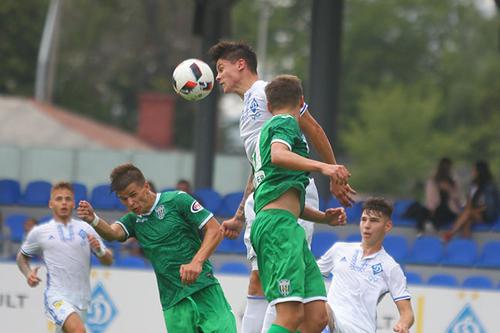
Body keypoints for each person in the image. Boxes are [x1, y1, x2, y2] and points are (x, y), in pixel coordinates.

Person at [208, 40, 355, 333]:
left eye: (221, 68)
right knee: (263, 282)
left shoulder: (266, 92)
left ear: (241, 64)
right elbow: (259, 166)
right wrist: (240, 213)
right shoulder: (247, 111)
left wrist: (333, 173)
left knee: (290, 301)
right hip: (265, 199)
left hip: (291, 196)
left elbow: (312, 128)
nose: (218, 76)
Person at [76, 163, 237, 333]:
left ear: (145, 186)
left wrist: (196, 262)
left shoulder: (177, 200)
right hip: (173, 302)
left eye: (133, 194)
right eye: (123, 198)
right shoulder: (133, 220)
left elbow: (215, 230)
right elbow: (112, 233)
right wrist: (93, 219)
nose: (130, 202)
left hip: (204, 289)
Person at [248, 75, 348, 333]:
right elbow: (279, 155)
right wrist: (324, 166)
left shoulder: (271, 130)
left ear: (268, 105)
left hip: (285, 224)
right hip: (277, 229)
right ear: (302, 101)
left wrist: (323, 218)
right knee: (289, 316)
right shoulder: (284, 122)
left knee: (316, 317)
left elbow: (285, 197)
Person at [16, 182, 113, 333]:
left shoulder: (85, 228)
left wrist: (99, 251)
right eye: (59, 199)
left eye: (68, 199)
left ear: (73, 203)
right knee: (79, 331)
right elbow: (21, 258)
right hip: (56, 297)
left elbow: (109, 260)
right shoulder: (40, 232)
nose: (63, 203)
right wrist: (28, 274)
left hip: (82, 300)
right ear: (50, 203)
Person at [317, 197, 414, 333]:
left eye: (374, 220)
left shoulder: (390, 267)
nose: (367, 225)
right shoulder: (339, 249)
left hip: (360, 329)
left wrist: (403, 325)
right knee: (315, 307)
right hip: (332, 323)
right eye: (364, 219)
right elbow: (310, 275)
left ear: (387, 226)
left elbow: (407, 313)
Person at [403, 157, 463, 236]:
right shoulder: (433, 182)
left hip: (449, 210)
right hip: (434, 209)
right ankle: (420, 231)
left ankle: (433, 227)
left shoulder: (453, 183)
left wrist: (449, 190)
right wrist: (432, 210)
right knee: (423, 210)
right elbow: (430, 199)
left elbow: (458, 199)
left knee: (442, 213)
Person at [444, 160, 499, 241]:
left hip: (486, 214)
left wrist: (472, 211)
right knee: (467, 221)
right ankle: (465, 244)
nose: (472, 171)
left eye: (474, 170)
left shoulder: (489, 187)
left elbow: (489, 207)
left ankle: (450, 233)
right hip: (474, 213)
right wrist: (464, 212)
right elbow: (469, 203)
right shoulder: (473, 185)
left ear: (479, 171)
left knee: (468, 213)